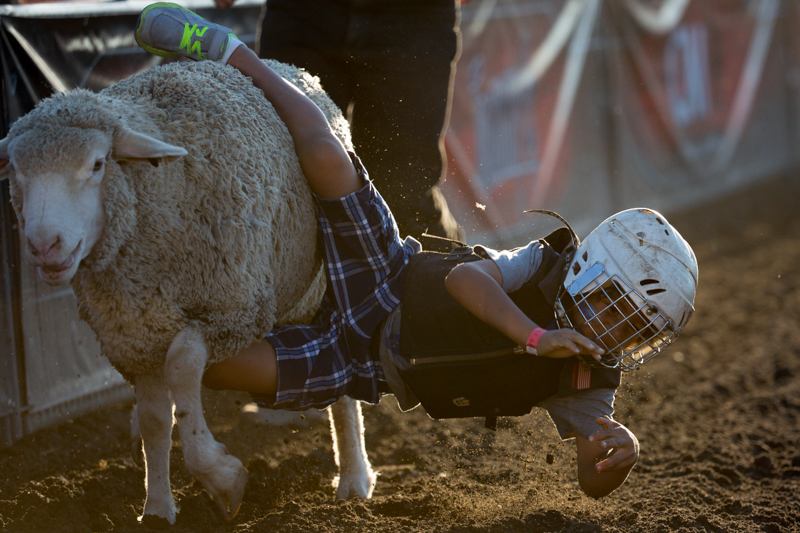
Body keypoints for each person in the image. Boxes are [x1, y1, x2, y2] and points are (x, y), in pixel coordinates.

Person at [134, 4, 699, 499]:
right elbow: (463, 281)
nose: (619, 337)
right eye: (619, 311)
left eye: (638, 332)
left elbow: (590, 480)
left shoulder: (589, 378)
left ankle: (148, 344)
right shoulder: (544, 265)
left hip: (363, 365)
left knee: (213, 371)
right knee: (329, 155)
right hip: (387, 272)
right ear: (591, 275)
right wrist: (535, 337)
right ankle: (230, 53)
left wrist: (618, 454)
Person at [218, 0, 464, 251]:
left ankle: (458, 265)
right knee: (290, 183)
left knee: (403, 196)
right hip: (303, 16)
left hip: (413, 21)